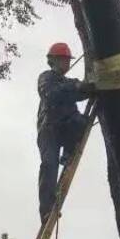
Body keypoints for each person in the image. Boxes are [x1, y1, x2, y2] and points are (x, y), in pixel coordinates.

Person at [37, 42, 94, 222]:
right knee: (49, 165)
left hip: (66, 126)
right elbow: (51, 94)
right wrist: (75, 86)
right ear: (54, 60)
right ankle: (46, 210)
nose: (67, 64)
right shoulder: (46, 78)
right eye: (64, 60)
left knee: (81, 122)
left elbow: (83, 91)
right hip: (49, 130)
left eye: (68, 61)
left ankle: (68, 153)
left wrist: (89, 87)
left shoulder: (69, 82)